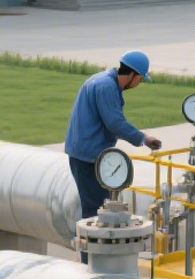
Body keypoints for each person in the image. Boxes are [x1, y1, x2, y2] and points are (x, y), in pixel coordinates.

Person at [65, 50, 162, 262]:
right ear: (133, 75)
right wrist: (144, 139)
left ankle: (94, 261)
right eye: (140, 79)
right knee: (95, 213)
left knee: (95, 209)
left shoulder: (102, 81)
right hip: (89, 158)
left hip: (85, 153)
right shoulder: (107, 87)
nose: (139, 84)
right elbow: (115, 122)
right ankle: (91, 263)